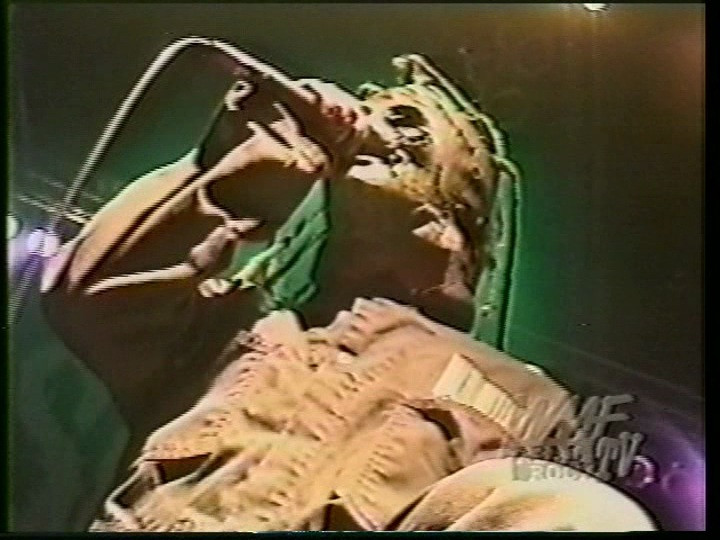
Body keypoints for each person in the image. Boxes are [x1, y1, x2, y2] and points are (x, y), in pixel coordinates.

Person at [41, 51, 655, 531]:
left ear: (460, 208)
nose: (375, 122)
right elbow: (97, 291)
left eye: (408, 123)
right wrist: (263, 155)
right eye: (376, 110)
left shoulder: (526, 394)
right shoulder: (236, 330)